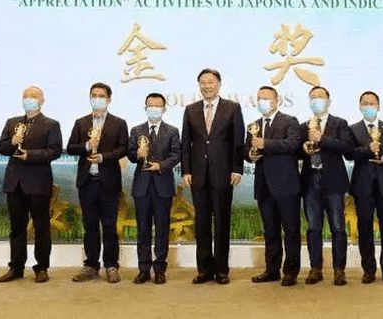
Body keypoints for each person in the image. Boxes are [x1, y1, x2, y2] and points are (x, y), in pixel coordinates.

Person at [181, 68, 245, 285]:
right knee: (201, 223)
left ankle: (221, 270)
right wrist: (186, 170)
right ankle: (204, 269)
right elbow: (186, 143)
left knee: (221, 222)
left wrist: (237, 168)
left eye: (210, 82)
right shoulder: (191, 110)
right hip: (198, 175)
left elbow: (238, 141)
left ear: (219, 84)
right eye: (203, 82)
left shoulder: (232, 108)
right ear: (199, 85)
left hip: (223, 174)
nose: (207, 86)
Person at [0, 85, 62, 283]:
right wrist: (12, 142)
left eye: (34, 96)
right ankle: (16, 267)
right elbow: (2, 147)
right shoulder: (12, 122)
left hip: (38, 182)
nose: (29, 99)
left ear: (42, 101)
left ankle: (41, 268)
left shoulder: (51, 124)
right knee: (17, 227)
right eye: (26, 96)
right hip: (14, 183)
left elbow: (55, 151)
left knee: (41, 226)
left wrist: (30, 155)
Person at [67, 82, 128, 284]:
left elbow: (123, 149)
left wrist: (103, 157)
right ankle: (91, 265)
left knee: (110, 226)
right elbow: (71, 147)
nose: (97, 98)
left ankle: (111, 265)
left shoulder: (118, 123)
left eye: (101, 95)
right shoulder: (81, 122)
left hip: (108, 182)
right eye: (94, 95)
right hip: (87, 182)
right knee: (90, 225)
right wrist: (87, 145)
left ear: (109, 99)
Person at [347, 91, 383, 284]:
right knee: (364, 229)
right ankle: (368, 270)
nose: (368, 106)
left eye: (372, 103)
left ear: (378, 106)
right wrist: (367, 150)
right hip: (362, 186)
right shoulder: (353, 129)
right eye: (365, 103)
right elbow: (349, 154)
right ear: (359, 106)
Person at [246, 86, 301, 286]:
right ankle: (272, 270)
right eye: (260, 98)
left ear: (277, 100)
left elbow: (292, 144)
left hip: (286, 186)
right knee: (270, 231)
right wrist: (250, 154)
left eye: (267, 98)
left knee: (291, 230)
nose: (263, 102)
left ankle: (291, 271)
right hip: (263, 187)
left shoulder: (289, 121)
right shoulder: (253, 125)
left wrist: (265, 144)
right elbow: (247, 151)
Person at [299, 86, 353, 286]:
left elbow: (347, 148)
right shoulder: (303, 126)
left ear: (328, 101)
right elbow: (295, 151)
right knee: (313, 228)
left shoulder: (340, 123)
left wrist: (322, 138)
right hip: (310, 181)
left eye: (320, 97)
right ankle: (316, 269)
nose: (316, 100)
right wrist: (304, 148)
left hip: (334, 181)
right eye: (312, 97)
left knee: (338, 228)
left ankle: (339, 270)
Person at [127, 93, 180, 284]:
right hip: (141, 186)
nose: (154, 109)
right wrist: (137, 153)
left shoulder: (172, 131)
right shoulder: (136, 130)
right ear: (145, 108)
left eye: (158, 106)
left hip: (162, 186)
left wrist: (161, 165)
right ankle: (143, 269)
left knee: (162, 229)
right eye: (150, 106)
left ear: (164, 109)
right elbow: (130, 154)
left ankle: (159, 269)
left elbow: (176, 154)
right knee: (143, 229)